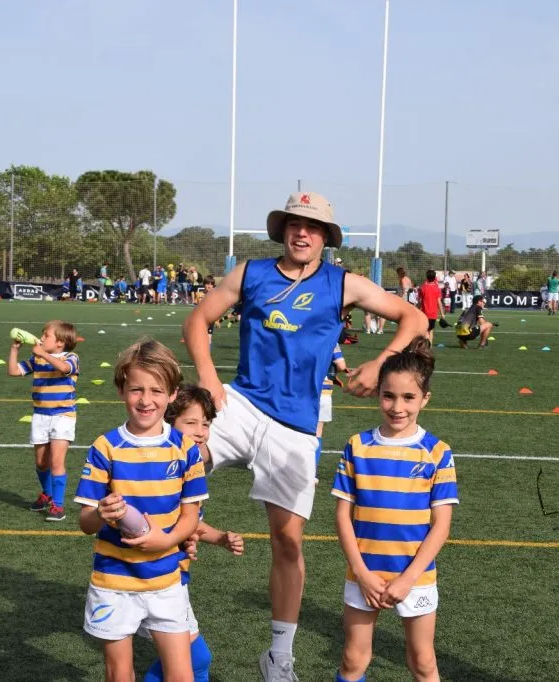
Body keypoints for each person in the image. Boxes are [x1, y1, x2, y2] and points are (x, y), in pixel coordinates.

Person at [183, 191, 427, 680]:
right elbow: (198, 320)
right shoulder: (249, 273)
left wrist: (379, 364)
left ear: (325, 238)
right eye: (295, 223)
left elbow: (415, 319)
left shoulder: (343, 283)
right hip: (243, 404)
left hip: (297, 423)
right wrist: (208, 377)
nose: (302, 232)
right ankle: (159, 594)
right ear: (283, 229)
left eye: (313, 227)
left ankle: (278, 656)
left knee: (288, 541)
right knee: (175, 460)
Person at [74, 339, 208, 682]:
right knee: (120, 674)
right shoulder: (105, 447)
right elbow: (85, 522)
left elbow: (191, 515)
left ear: (173, 394)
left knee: (182, 674)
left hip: (166, 580)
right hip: (114, 582)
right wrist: (102, 512)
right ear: (122, 390)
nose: (146, 400)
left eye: (156, 390)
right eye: (136, 389)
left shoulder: (186, 449)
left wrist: (163, 541)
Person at [332, 338, 457, 682]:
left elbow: (441, 525)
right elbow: (343, 515)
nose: (397, 406)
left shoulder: (437, 452)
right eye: (389, 395)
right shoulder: (357, 446)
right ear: (377, 394)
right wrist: (361, 572)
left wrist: (408, 579)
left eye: (408, 397)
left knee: (423, 662)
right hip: (364, 573)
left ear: (424, 399)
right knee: (353, 659)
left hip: (415, 577)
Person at [141, 384, 245, 682]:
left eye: (206, 424)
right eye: (191, 422)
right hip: (154, 577)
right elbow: (147, 521)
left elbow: (190, 522)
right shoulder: (161, 467)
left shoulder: (190, 465)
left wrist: (221, 538)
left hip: (174, 577)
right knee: (195, 659)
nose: (201, 431)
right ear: (168, 422)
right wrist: (175, 540)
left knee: (184, 662)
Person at [8, 321, 79, 522]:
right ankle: (47, 494)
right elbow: (14, 371)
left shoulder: (71, 357)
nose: (41, 338)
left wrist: (43, 354)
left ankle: (58, 506)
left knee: (56, 462)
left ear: (60, 342)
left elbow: (64, 369)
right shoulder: (37, 359)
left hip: (62, 416)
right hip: (40, 415)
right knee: (41, 463)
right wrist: (15, 349)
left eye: (46, 335)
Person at [315, 346, 349, 483]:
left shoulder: (299, 330)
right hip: (323, 390)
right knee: (317, 431)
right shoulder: (331, 336)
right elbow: (341, 365)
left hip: (299, 389)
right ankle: (312, 472)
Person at [416, 269, 446, 343]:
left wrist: (416, 309)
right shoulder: (437, 289)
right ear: (435, 277)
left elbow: (420, 301)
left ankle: (424, 346)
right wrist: (442, 314)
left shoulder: (423, 288)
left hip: (424, 313)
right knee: (431, 331)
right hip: (433, 314)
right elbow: (439, 302)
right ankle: (429, 347)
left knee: (424, 330)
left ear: (427, 277)